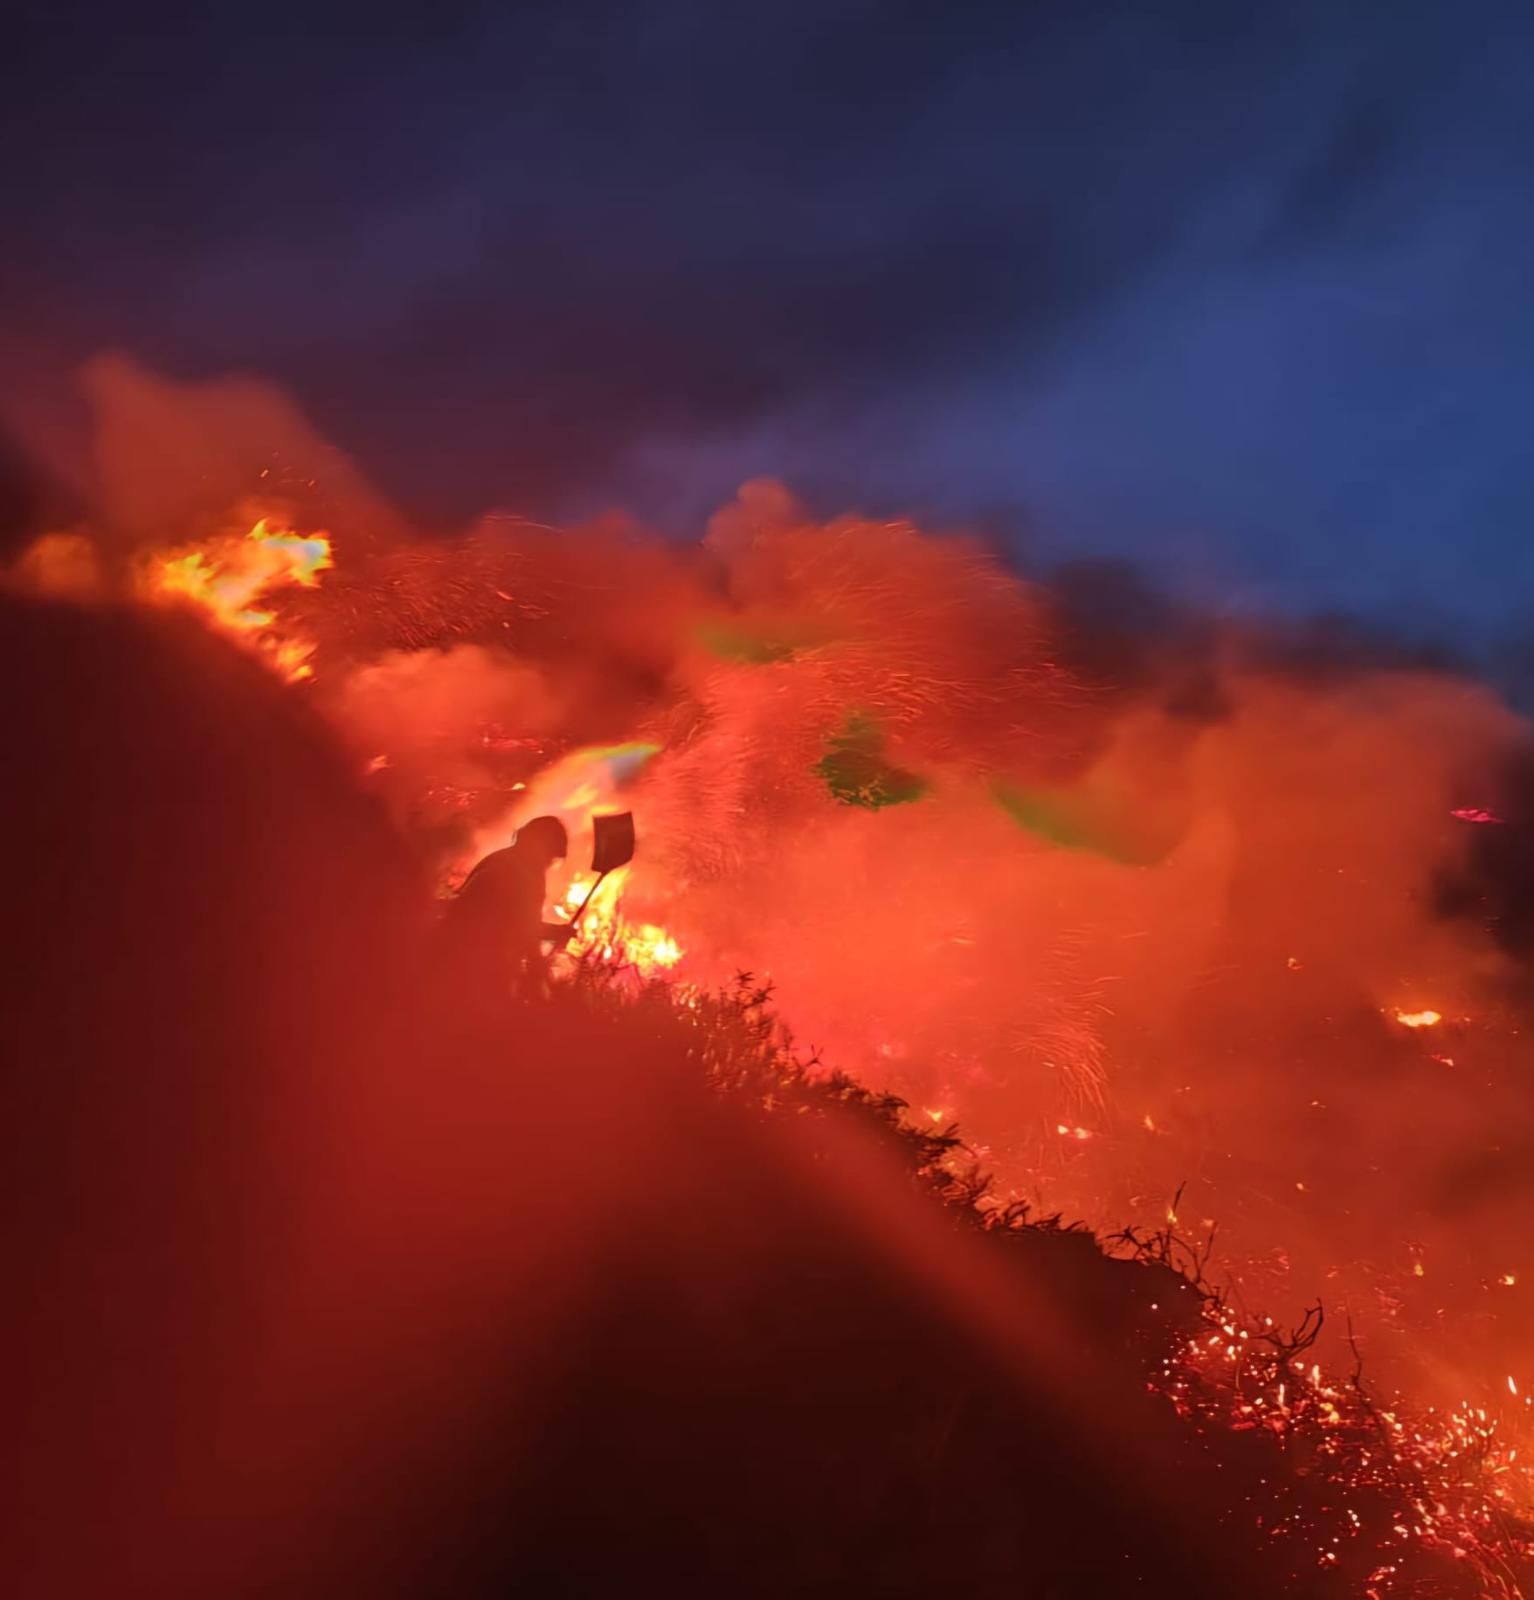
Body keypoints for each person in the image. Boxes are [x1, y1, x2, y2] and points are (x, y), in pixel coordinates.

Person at [441, 815, 575, 994]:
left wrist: (554, 932)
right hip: (479, 967)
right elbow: (520, 928)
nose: (550, 864)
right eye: (551, 856)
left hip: (457, 958)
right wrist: (539, 974)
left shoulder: (500, 859)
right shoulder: (524, 875)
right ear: (542, 848)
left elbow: (516, 922)